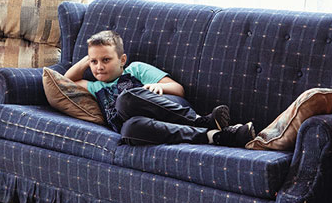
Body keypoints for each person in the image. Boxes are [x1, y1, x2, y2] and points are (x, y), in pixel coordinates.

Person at [65, 29, 254, 147]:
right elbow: (64, 81)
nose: (99, 66)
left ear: (122, 60)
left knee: (126, 99)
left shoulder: (135, 69)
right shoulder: (95, 87)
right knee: (128, 130)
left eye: (106, 59)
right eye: (94, 62)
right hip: (141, 124)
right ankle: (216, 135)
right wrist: (86, 59)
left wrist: (157, 86)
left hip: (166, 108)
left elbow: (178, 90)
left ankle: (201, 120)